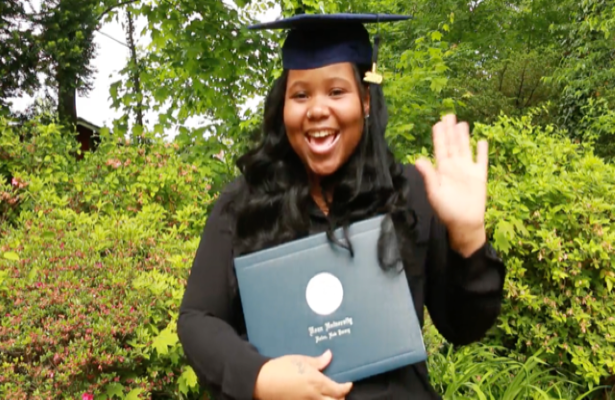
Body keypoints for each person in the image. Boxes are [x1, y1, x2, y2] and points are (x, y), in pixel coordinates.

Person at [177, 13, 506, 400]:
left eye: (336, 91)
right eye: (301, 95)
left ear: (366, 100)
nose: (317, 109)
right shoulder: (243, 205)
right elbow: (198, 320)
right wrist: (259, 377)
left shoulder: (408, 193)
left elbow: (463, 327)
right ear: (283, 107)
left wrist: (468, 237)